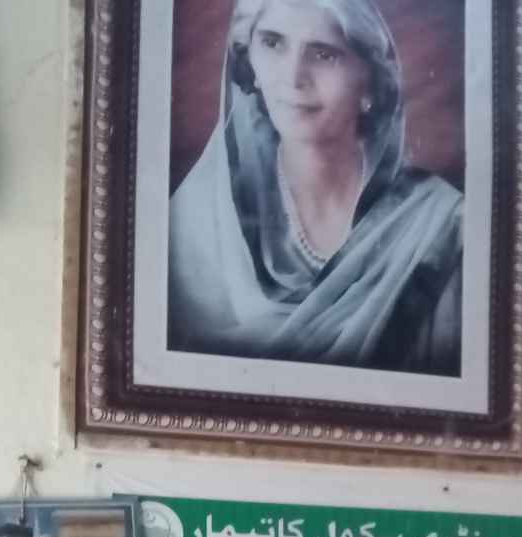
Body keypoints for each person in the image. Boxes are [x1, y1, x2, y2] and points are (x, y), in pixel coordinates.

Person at [168, 0, 463, 376]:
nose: (293, 77)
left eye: (324, 54)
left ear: (370, 82)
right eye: (273, 43)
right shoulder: (196, 219)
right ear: (248, 59)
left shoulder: (439, 226)